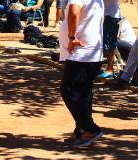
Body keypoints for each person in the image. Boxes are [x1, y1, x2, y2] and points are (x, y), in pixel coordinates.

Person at [58, 0, 104, 147]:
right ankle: (82, 130)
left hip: (82, 52)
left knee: (69, 90)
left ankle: (90, 129)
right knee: (84, 92)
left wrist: (72, 38)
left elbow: (73, 12)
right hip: (89, 52)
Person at [99, 0, 121, 79]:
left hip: (111, 17)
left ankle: (110, 69)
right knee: (101, 43)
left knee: (109, 44)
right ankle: (98, 67)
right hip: (106, 15)